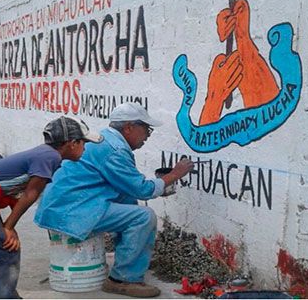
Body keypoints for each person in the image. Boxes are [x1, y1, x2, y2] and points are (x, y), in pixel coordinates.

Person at [34, 102, 194, 298]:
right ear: (129, 128)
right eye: (146, 129)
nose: (148, 135)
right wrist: (175, 174)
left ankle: (130, 259)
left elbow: (129, 189)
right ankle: (122, 279)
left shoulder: (107, 139)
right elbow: (143, 189)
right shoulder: (115, 150)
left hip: (64, 204)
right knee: (144, 217)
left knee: (126, 197)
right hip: (71, 210)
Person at [0, 116, 102, 299]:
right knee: (1, 250)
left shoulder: (46, 154)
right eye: (83, 143)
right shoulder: (50, 156)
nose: (84, 148)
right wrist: (8, 227)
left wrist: (8, 226)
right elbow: (30, 194)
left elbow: (20, 190)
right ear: (71, 143)